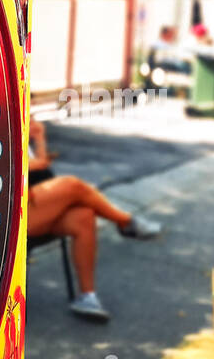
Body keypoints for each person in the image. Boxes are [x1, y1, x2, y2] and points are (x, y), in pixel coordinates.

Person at [27, 117, 160, 322]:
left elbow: (44, 174)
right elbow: (28, 167)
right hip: (9, 219)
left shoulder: (23, 141)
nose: (31, 115)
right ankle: (125, 221)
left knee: (84, 216)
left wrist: (39, 138)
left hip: (35, 211)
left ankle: (87, 296)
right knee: (73, 186)